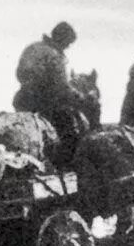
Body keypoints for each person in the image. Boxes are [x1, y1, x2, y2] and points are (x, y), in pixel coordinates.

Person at [13, 22, 91, 157]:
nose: (68, 46)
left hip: (22, 99)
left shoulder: (32, 47)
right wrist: (81, 98)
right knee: (70, 131)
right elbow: (61, 88)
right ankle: (64, 164)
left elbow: (19, 73)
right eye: (68, 42)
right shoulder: (55, 56)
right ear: (63, 39)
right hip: (45, 104)